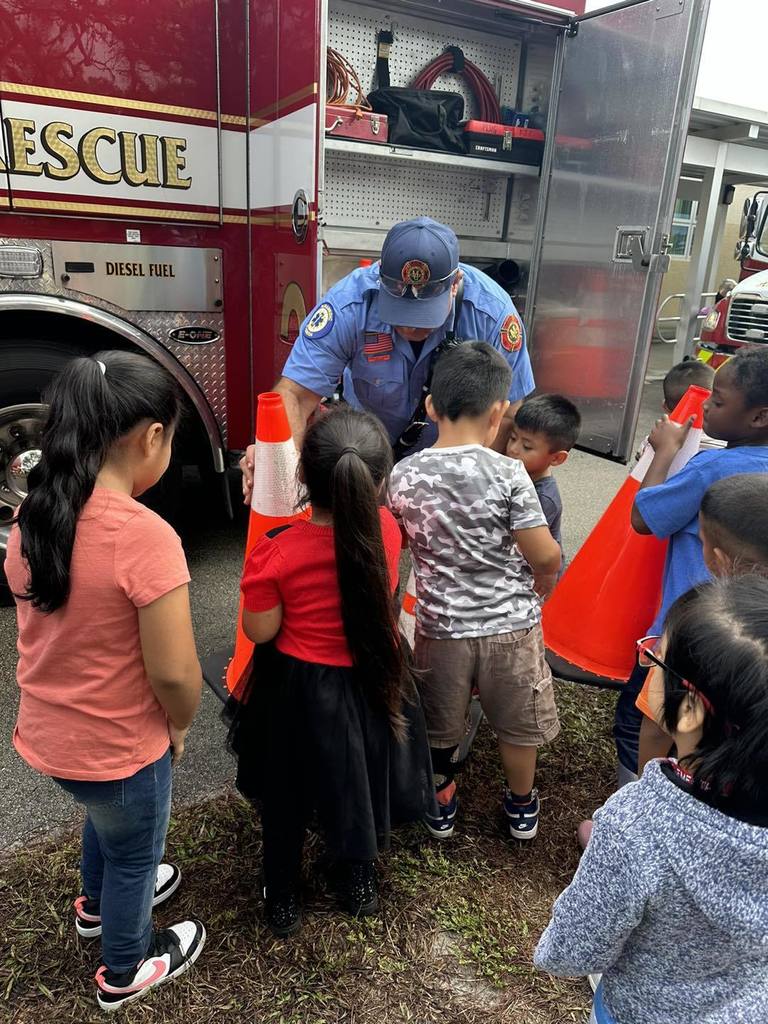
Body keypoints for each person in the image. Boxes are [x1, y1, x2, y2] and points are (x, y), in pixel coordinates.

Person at [5, 352, 205, 1012]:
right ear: (152, 437)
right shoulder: (145, 537)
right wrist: (178, 722)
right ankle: (127, 964)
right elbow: (174, 671)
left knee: (108, 823)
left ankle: (94, 906)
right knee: (132, 851)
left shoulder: (33, 515)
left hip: (51, 737)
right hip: (121, 746)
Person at [228, 406, 434, 937]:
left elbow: (261, 632)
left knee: (287, 790)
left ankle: (281, 896)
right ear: (380, 481)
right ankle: (357, 880)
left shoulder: (277, 552)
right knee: (357, 780)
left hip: (301, 691)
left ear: (302, 475)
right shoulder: (387, 530)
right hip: (371, 681)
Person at [535, 576, 768, 1024]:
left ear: (690, 710)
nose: (649, 664)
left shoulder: (635, 826)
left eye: (655, 660)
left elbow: (571, 950)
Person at [387, 342, 562, 841]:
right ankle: (521, 805)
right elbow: (543, 554)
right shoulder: (509, 472)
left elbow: (395, 542)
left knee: (440, 724)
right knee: (515, 723)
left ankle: (440, 800)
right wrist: (544, 580)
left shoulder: (404, 474)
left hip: (439, 628)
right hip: (510, 627)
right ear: (499, 412)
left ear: (430, 408)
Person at [240, 217, 534, 502]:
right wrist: (277, 467)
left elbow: (508, 414)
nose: (409, 327)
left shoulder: (492, 314)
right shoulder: (347, 305)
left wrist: (466, 495)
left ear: (455, 283)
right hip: (367, 454)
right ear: (380, 277)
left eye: (423, 317)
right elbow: (295, 395)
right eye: (399, 312)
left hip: (451, 461)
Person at [612, 347, 768, 789]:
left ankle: (633, 807)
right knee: (718, 733)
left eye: (718, 401)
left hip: (683, 635)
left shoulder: (712, 467)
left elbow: (644, 518)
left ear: (759, 417)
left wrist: (664, 451)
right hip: (749, 643)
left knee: (641, 721)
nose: (704, 405)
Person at [635, 472, 768, 772]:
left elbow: (656, 724)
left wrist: (645, 787)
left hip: (697, 784)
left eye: (701, 541)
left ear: (718, 561)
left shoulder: (691, 621)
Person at [506, 393, 581, 551]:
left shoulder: (544, 498)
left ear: (557, 458)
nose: (513, 449)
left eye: (527, 447)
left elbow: (527, 550)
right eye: (513, 438)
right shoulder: (516, 473)